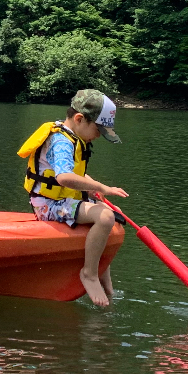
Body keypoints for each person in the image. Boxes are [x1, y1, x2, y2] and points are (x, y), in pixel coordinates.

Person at [17, 88, 128, 307]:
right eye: (98, 129)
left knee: (112, 215)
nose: (99, 136)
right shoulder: (61, 142)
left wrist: (91, 190)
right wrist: (102, 187)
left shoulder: (73, 137)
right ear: (79, 119)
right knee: (105, 217)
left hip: (61, 201)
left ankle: (103, 275)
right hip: (48, 205)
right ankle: (89, 274)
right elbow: (65, 177)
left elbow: (74, 173)